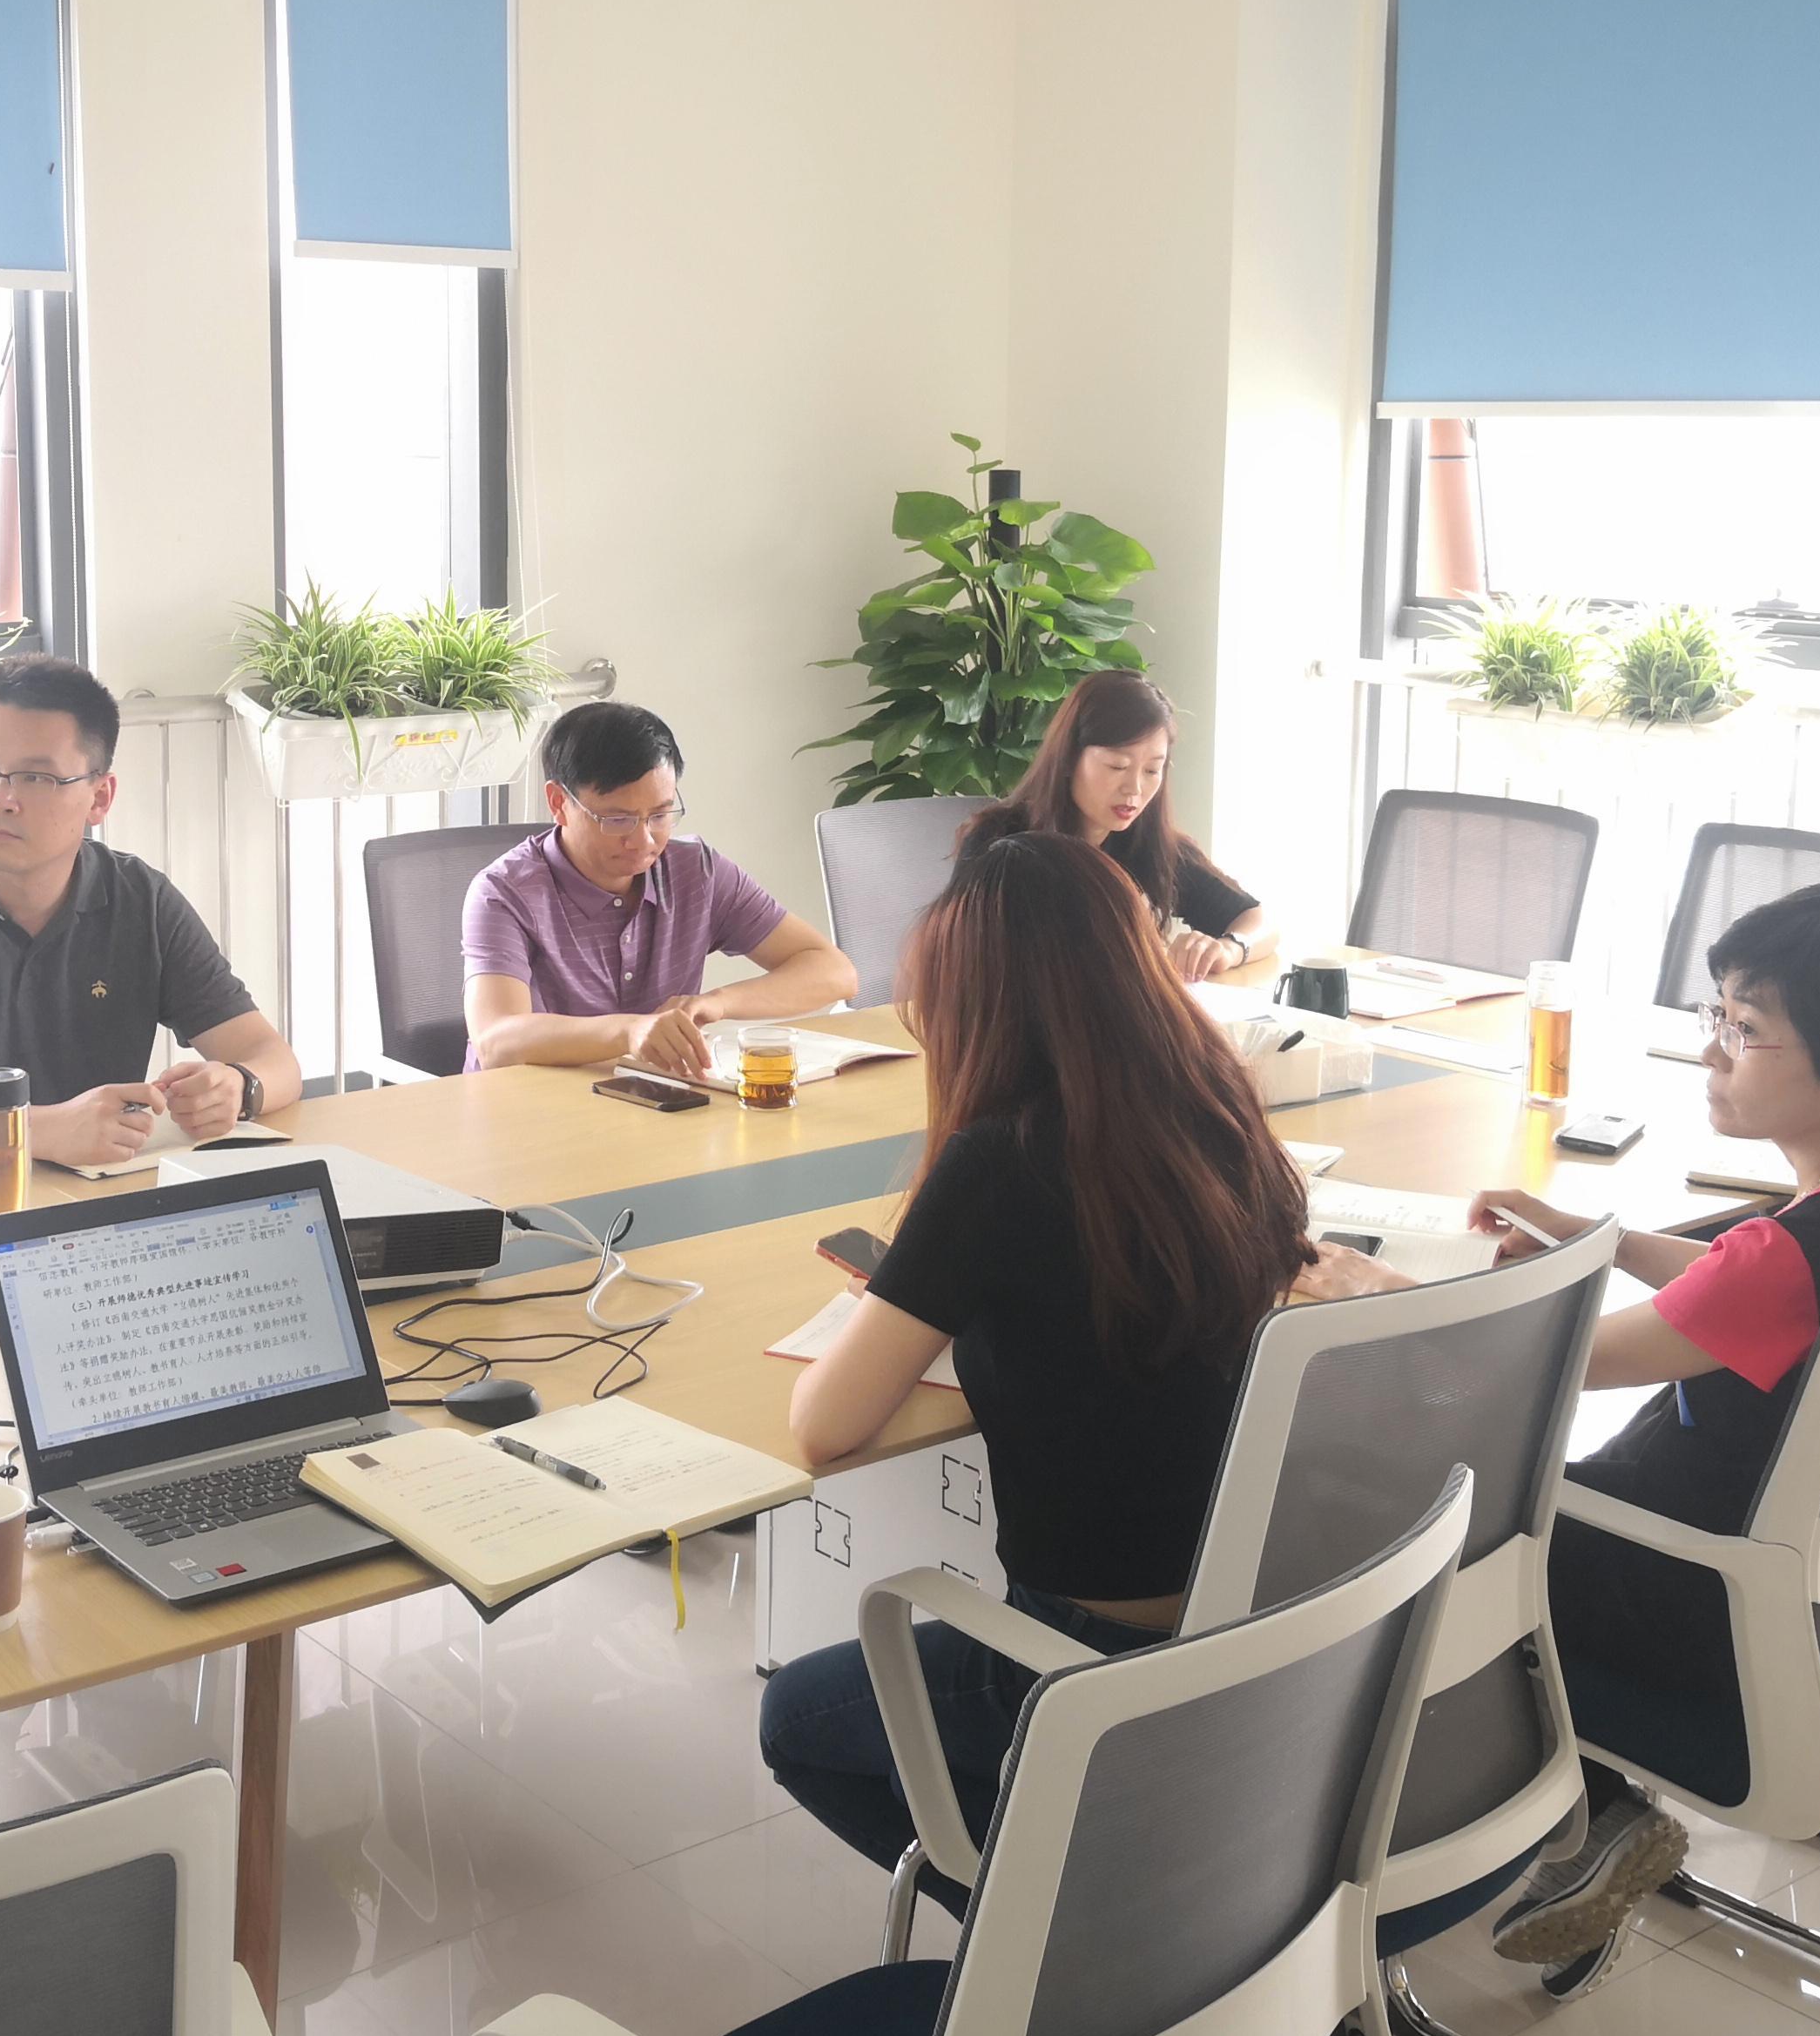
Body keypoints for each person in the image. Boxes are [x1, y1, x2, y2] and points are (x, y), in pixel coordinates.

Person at [754, 833, 1363, 1911]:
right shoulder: (1216, 1114)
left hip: (1094, 1650)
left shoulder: (998, 1160)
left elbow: (822, 1425)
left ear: (982, 1007)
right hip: (1259, 1613)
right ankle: (1104, 1892)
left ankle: (1051, 1946)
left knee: (794, 1720)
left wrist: (889, 1301)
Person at [1418, 881, 1820, 1999]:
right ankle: (1573, 1807)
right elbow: (1746, 1287)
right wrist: (1602, 1239)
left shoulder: (1786, 1256)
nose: (1711, 1051)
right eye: (1714, 1016)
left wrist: (1370, 1289)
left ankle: (1587, 1815)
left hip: (1686, 1590)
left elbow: (1545, 1365)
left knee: (1432, 1531)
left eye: (1744, 1028)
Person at [0, 653, 298, 1172]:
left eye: (35, 778)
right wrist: (47, 1131)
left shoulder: (140, 901)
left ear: (100, 797)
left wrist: (237, 1086)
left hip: (85, 1195)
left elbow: (275, 1061)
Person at [462, 701, 857, 1074]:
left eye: (661, 815)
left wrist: (718, 1003)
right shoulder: (503, 893)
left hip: (655, 1097)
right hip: (528, 1107)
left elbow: (834, 972)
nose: (644, 840)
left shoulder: (697, 871)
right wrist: (629, 1031)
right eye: (617, 820)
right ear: (558, 802)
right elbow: (496, 1041)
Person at [961, 671, 1276, 980]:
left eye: (1152, 771)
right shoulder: (999, 844)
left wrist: (1229, 949)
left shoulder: (1150, 846)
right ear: (1069, 759)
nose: (1134, 789)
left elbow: (1259, 920)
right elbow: (972, 966)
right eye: (1117, 766)